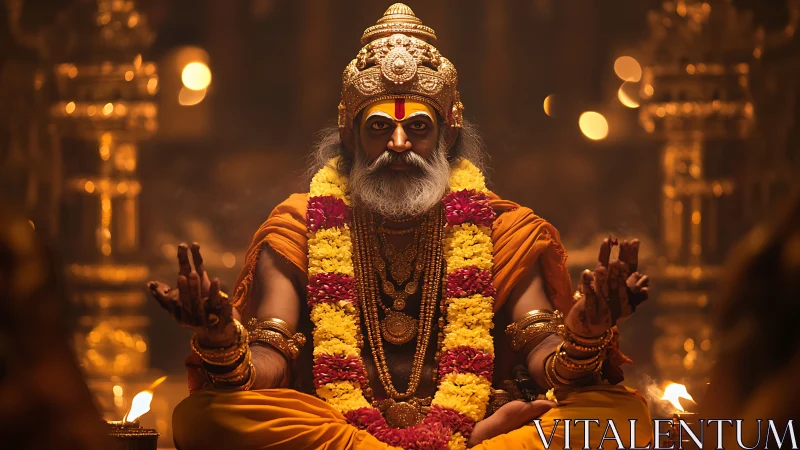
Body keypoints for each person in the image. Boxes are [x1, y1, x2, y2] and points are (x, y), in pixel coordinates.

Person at [150, 4, 652, 449]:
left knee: (622, 418)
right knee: (204, 418)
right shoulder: (299, 227)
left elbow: (543, 354)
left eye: (416, 127)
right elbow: (270, 358)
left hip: (474, 417)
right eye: (378, 127)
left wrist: (585, 335)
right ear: (351, 136)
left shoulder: (503, 230)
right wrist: (221, 343)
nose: (397, 143)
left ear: (445, 134)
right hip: (344, 426)